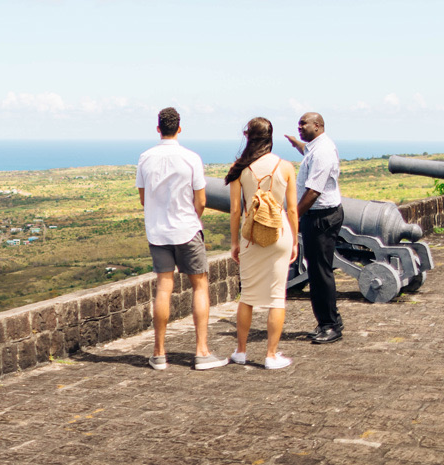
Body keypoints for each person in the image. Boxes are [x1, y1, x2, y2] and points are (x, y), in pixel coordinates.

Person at [136, 106, 227, 370]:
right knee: (199, 286)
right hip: (187, 229)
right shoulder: (191, 158)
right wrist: (193, 217)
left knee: (163, 288)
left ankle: (158, 353)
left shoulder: (145, 158)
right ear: (179, 127)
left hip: (158, 232)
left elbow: (144, 199)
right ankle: (201, 352)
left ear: (158, 129)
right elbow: (201, 199)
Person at [227, 117, 299, 369]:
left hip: (250, 238)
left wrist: (235, 243)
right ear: (271, 137)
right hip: (279, 234)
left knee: (247, 296)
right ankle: (271, 355)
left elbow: (236, 211)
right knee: (277, 296)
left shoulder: (239, 167)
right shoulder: (286, 166)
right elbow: (292, 210)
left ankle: (241, 351)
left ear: (248, 136)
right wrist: (294, 242)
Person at [285, 111, 343, 344]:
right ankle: (328, 321)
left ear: (318, 126)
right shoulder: (315, 148)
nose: (299, 127)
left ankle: (330, 325)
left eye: (303, 124)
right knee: (318, 271)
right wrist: (298, 144)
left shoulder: (323, 151)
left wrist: (294, 217)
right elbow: (308, 153)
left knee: (320, 273)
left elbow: (314, 191)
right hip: (318, 216)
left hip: (321, 216)